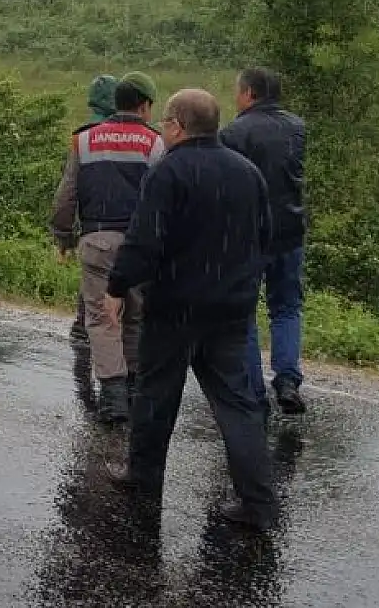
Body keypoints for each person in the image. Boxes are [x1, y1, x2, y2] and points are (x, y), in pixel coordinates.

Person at [105, 89, 279, 530]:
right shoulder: (248, 173)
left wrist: (117, 286)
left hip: (175, 305)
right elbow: (265, 238)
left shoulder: (170, 171)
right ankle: (258, 502)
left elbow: (145, 239)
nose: (164, 129)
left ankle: (144, 475)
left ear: (178, 125)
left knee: (156, 394)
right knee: (237, 405)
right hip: (231, 310)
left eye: (166, 122)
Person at [50, 79, 165, 423]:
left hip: (97, 241)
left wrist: (63, 236)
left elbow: (66, 195)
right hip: (140, 244)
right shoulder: (155, 142)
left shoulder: (84, 140)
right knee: (135, 314)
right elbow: (164, 197)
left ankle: (113, 398)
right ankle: (131, 387)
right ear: (145, 105)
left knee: (101, 318)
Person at [221, 67, 309, 416]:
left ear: (250, 94)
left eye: (238, 90)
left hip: (249, 234)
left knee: (244, 312)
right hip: (290, 229)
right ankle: (287, 379)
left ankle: (254, 393)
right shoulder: (297, 127)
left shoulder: (235, 132)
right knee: (286, 307)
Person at [69, 74, 122, 345]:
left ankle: (82, 328)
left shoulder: (82, 136)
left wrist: (64, 232)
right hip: (126, 222)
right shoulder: (134, 136)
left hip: (91, 223)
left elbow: (70, 187)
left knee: (92, 277)